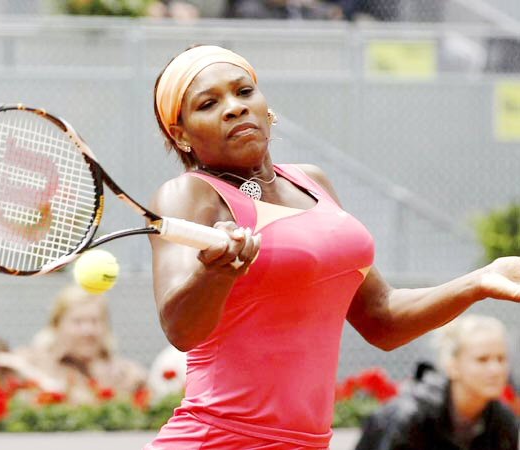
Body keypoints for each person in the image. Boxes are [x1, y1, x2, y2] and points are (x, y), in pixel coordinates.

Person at [143, 44, 520, 449]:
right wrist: (213, 273)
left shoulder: (313, 182)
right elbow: (180, 328)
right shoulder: (189, 194)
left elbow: (381, 318)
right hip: (218, 439)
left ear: (266, 106)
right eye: (208, 103)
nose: (234, 107)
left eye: (244, 91)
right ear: (180, 134)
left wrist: (479, 281)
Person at [354, 315, 518, 450]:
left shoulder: (503, 422)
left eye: (501, 359)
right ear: (453, 366)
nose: (496, 369)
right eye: (482, 359)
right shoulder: (410, 415)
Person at [17, 284, 148, 405]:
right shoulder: (28, 363)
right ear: (56, 325)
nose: (88, 331)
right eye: (78, 322)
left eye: (95, 321)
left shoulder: (128, 375)